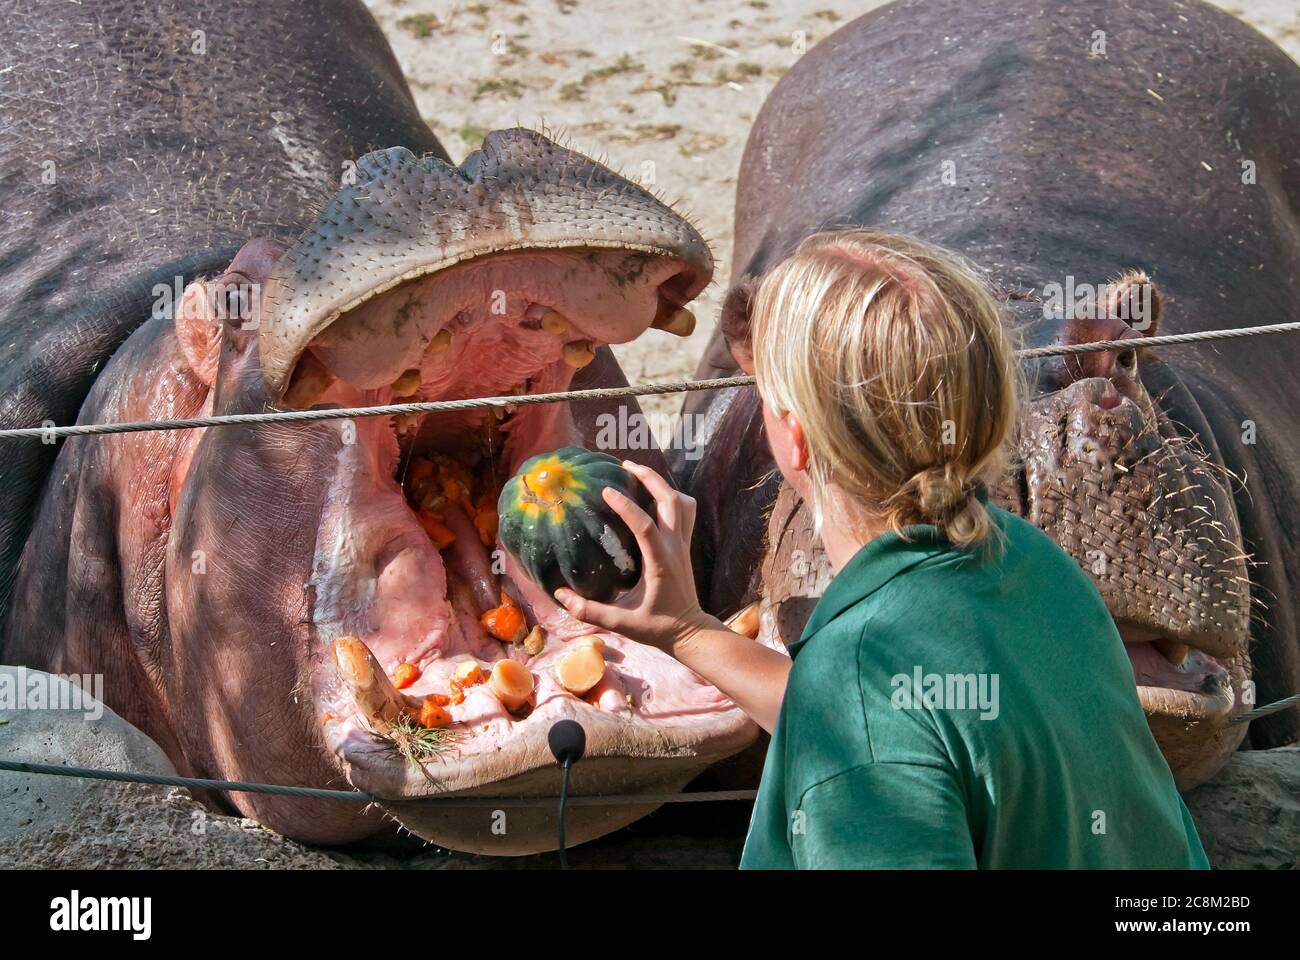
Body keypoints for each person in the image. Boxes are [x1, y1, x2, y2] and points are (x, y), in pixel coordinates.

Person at [554, 229, 1208, 869]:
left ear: (795, 436)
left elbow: (875, 730)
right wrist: (688, 633)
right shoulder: (1033, 563)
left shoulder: (867, 703)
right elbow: (888, 720)